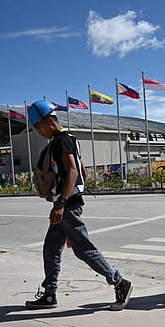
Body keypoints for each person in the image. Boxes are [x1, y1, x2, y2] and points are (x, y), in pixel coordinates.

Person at [25, 99, 132, 310]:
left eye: (38, 126)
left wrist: (62, 202)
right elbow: (83, 171)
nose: (38, 132)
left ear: (49, 120)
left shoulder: (60, 141)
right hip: (65, 204)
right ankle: (49, 294)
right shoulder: (70, 139)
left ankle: (119, 282)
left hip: (66, 205)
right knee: (51, 249)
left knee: (83, 249)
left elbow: (73, 171)